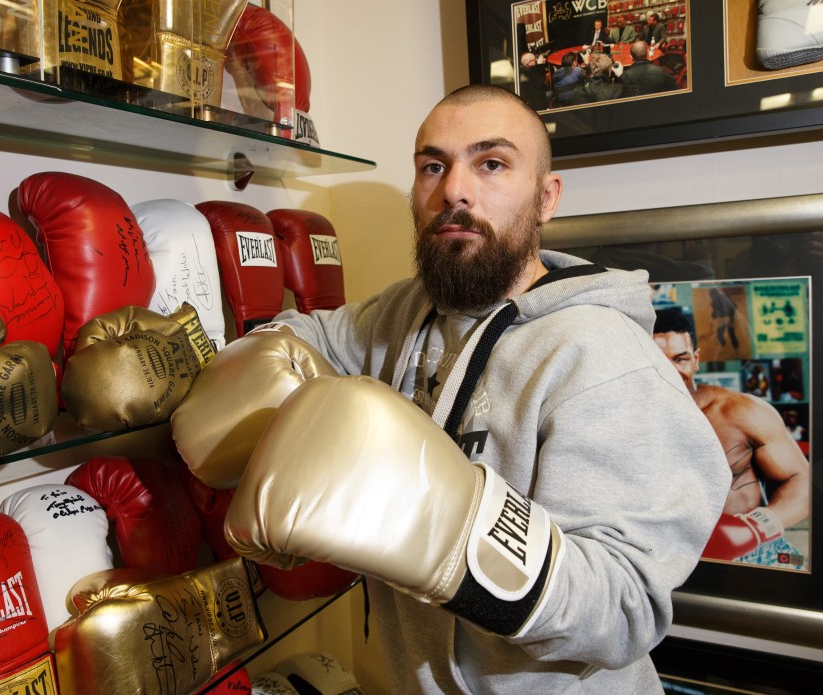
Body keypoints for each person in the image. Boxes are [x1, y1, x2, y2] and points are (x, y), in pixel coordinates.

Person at [175, 84, 729, 694]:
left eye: (491, 163)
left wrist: (455, 537)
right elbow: (308, 334)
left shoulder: (602, 357)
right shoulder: (404, 313)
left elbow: (627, 609)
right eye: (432, 166)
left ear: (546, 198)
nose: (454, 190)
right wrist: (238, 370)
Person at [653, 308, 809, 568]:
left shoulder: (742, 411)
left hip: (749, 552)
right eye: (659, 361)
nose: (671, 371)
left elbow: (801, 479)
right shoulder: (624, 419)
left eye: (680, 359)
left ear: (696, 359)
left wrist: (755, 528)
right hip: (663, 557)